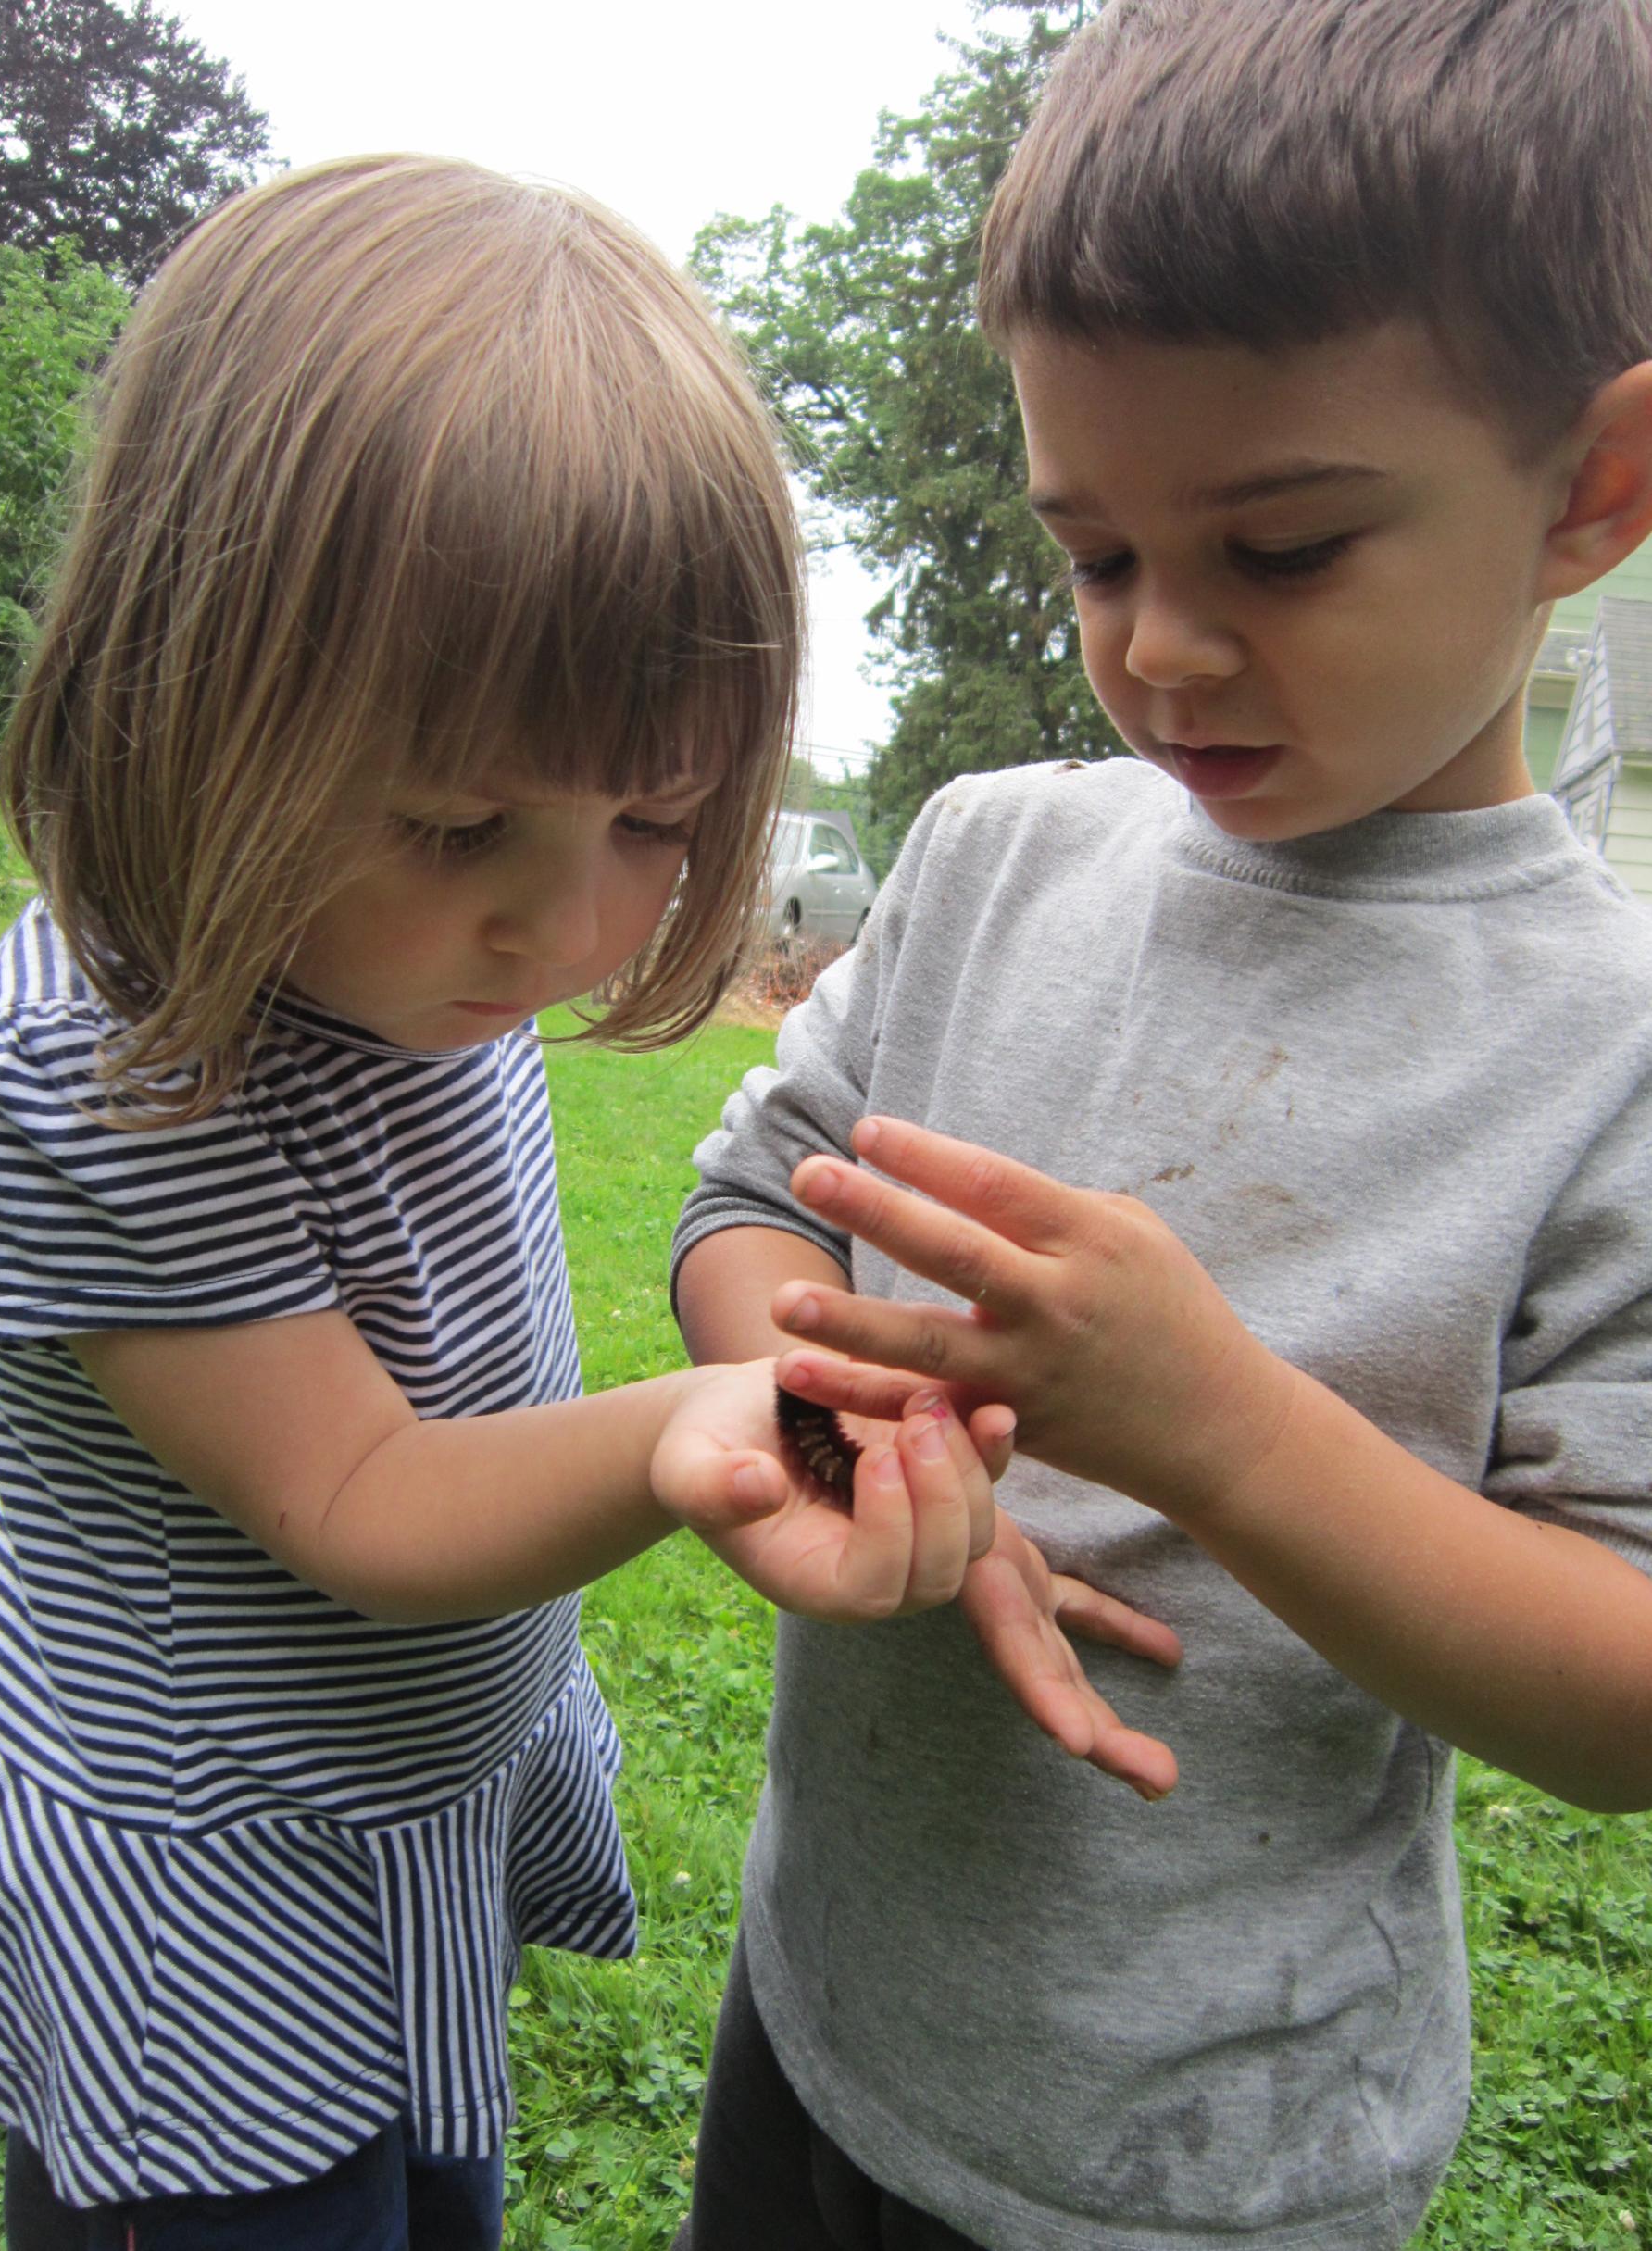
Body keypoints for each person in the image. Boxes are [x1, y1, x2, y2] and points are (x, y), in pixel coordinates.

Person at [0, 154, 1108, 2251]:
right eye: (459, 817)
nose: (558, 918)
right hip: (217, 1885)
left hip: (412, 1823)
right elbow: (368, 1498)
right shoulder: (95, 1062)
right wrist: (693, 1430)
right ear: (192, 682)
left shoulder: (404, 940)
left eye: (653, 819)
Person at [670, 4, 1652, 2245]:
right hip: (825, 1999)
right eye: (1098, 554)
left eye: (1284, 550)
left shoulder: (1607, 1046)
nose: (1167, 650)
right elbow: (748, 1203)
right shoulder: (999, 850)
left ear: (1590, 491)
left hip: (1205, 2164)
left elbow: (1627, 1697)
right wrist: (844, 1409)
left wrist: (1215, 1425)